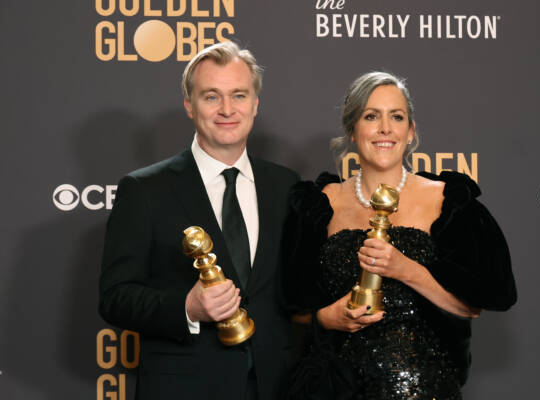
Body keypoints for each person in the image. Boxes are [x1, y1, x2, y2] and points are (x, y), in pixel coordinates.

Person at [282, 71, 517, 399]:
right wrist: (326, 318)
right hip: (337, 388)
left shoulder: (447, 201)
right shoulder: (318, 204)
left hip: (424, 387)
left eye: (396, 117)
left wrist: (407, 270)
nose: (385, 129)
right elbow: (289, 306)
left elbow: (473, 306)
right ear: (352, 129)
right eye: (371, 116)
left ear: (410, 131)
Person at [99, 41, 299, 400]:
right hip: (184, 387)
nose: (227, 109)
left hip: (277, 386)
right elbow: (115, 297)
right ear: (190, 106)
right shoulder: (144, 190)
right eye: (211, 97)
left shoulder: (286, 185)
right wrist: (187, 308)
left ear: (255, 104)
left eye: (238, 95)